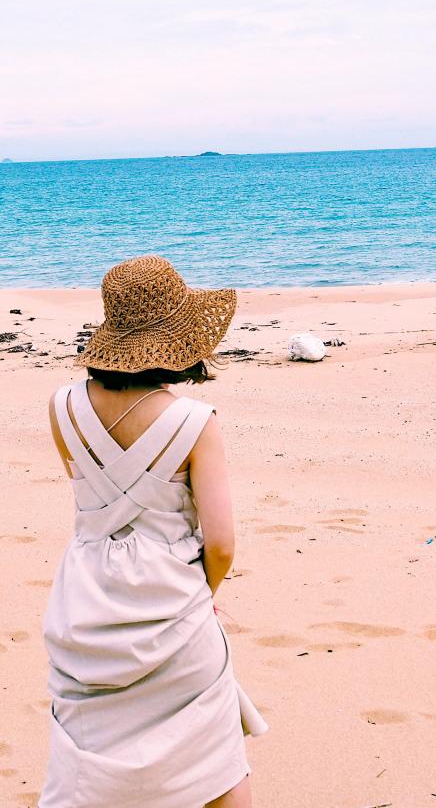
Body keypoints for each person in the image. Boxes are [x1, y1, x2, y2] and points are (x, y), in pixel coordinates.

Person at [39, 255, 268, 807]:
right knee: (216, 763)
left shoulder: (61, 407)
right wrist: (203, 596)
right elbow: (221, 542)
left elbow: (96, 501)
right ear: (177, 340)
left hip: (87, 604)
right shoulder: (195, 422)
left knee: (90, 758)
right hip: (172, 605)